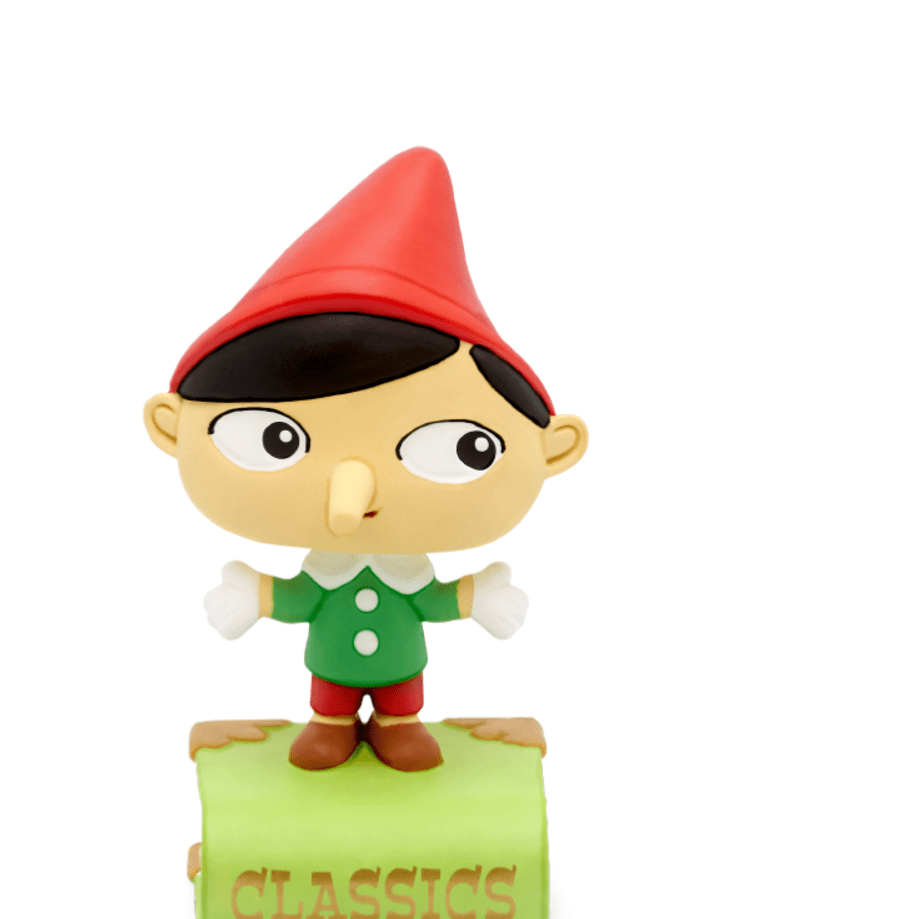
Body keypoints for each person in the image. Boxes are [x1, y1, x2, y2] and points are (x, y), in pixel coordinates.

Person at [143, 148, 588, 771]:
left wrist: (477, 597)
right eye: (275, 440)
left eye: (463, 447)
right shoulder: (327, 570)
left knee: (402, 698)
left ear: (556, 447)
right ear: (169, 427)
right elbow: (300, 598)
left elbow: (432, 600)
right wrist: (257, 595)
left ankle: (397, 725)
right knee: (330, 698)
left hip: (402, 669)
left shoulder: (404, 572)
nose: (350, 498)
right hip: (331, 671)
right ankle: (331, 725)